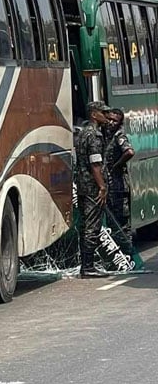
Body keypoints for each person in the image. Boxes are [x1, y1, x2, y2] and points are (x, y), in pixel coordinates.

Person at [75, 101, 112, 278]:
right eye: (103, 113)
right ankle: (88, 267)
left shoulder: (83, 133)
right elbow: (95, 163)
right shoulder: (94, 135)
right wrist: (102, 186)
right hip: (92, 187)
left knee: (85, 226)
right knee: (92, 227)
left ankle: (86, 265)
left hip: (83, 185)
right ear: (94, 114)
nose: (106, 116)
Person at [104, 107, 136, 250]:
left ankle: (128, 253)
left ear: (120, 123)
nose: (111, 122)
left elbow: (129, 152)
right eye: (109, 119)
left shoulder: (119, 136)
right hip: (109, 187)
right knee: (112, 224)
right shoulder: (105, 135)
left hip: (119, 188)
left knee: (122, 224)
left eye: (114, 121)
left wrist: (117, 165)